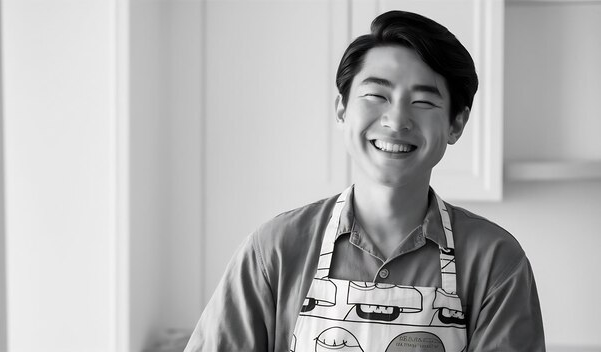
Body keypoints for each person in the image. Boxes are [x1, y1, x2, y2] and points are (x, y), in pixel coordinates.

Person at [185, 10, 545, 352]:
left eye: (423, 101)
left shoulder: (496, 262)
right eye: (377, 95)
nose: (397, 119)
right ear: (342, 109)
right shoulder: (274, 250)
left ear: (456, 124)